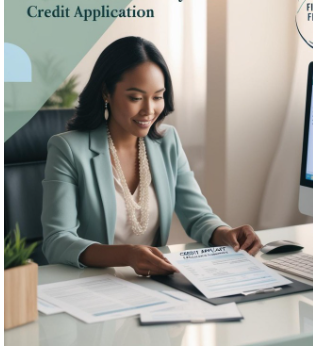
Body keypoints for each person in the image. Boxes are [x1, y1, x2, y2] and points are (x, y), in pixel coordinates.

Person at [41, 36, 262, 275]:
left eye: (157, 97)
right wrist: (128, 255)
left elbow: (197, 216)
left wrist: (224, 233)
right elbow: (57, 241)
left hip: (153, 282)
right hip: (94, 284)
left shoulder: (168, 141)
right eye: (135, 98)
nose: (149, 110)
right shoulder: (68, 149)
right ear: (106, 92)